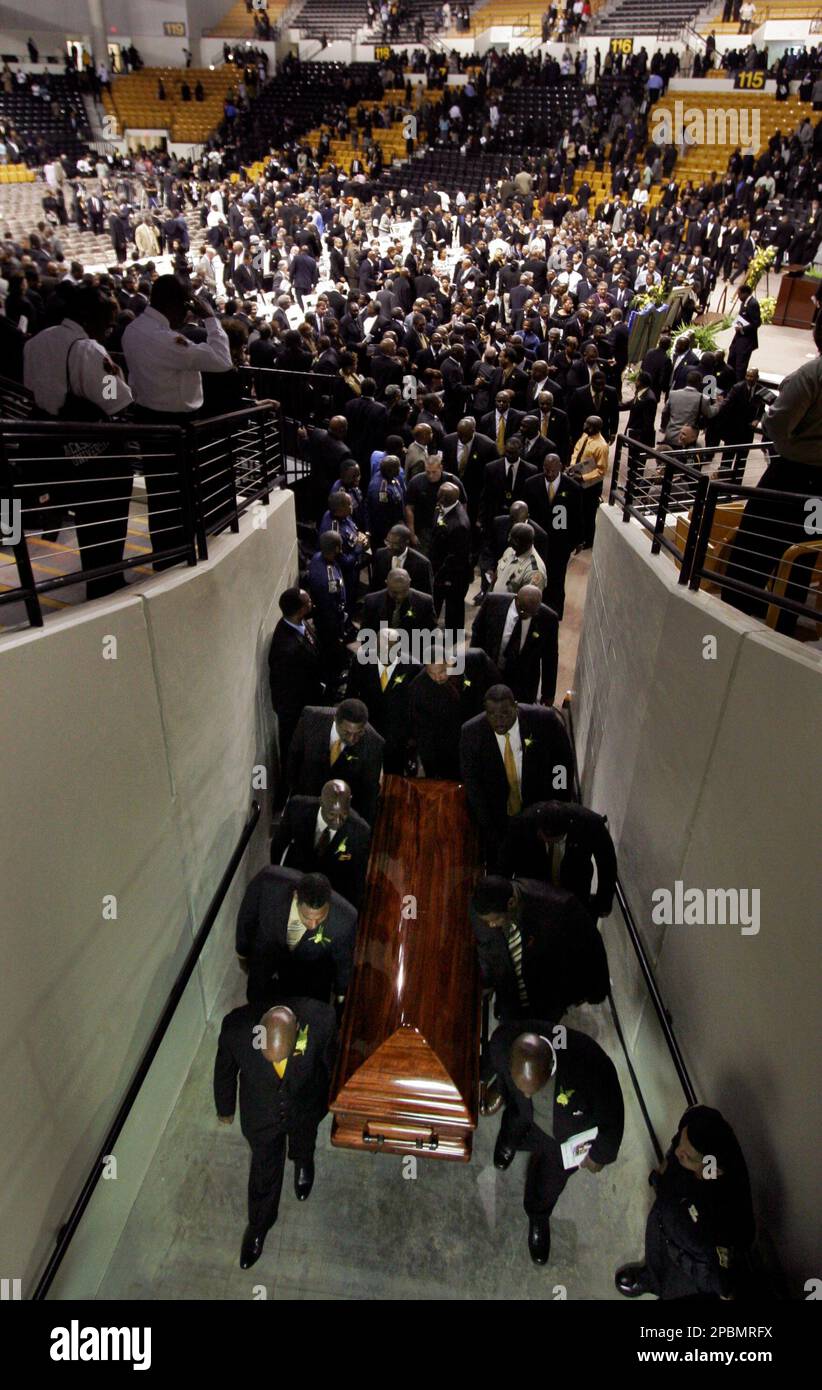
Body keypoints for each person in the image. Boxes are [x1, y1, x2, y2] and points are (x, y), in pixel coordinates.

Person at [21, 283, 134, 599]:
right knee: (105, 517)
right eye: (106, 322)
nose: (108, 330)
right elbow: (114, 400)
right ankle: (105, 580)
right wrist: (116, 374)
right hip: (93, 448)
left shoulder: (37, 342)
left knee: (86, 514)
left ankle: (96, 575)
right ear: (89, 316)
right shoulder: (88, 350)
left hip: (54, 444)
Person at [214, 998, 336, 1268]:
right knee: (263, 1169)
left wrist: (327, 1099)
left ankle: (303, 1159)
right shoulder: (236, 1029)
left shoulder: (320, 1019)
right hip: (261, 1115)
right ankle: (259, 1224)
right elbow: (224, 1068)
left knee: (304, 1137)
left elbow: (328, 1063)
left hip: (303, 1104)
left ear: (296, 1031)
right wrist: (225, 1107)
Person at [491, 1027, 624, 1264]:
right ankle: (508, 1143)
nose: (526, 1093)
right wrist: (497, 1088)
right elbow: (497, 1068)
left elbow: (612, 1117)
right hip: (525, 1120)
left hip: (562, 1139)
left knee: (549, 1182)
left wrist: (599, 1155)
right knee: (514, 1123)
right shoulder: (504, 1042)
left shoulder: (590, 1066)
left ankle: (538, 1215)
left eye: (531, 1089)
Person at [723, 315, 822, 634]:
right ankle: (786, 617)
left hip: (792, 477)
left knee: (755, 543)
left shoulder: (811, 375)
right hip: (819, 490)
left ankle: (736, 612)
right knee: (805, 549)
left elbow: (777, 424)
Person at [122, 276, 231, 561]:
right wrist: (210, 319)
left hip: (148, 419)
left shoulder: (134, 329)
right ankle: (178, 556)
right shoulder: (166, 340)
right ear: (174, 304)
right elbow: (222, 360)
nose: (188, 311)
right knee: (181, 495)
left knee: (162, 495)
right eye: (185, 304)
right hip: (176, 426)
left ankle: (166, 555)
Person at [616, 1105, 754, 1299]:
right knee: (657, 1241)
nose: (679, 1152)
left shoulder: (723, 1215)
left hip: (691, 1258)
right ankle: (652, 1275)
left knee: (676, 1287)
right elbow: (678, 1141)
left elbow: (724, 1280)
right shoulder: (700, 1122)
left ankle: (662, 1287)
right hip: (668, 1214)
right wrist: (663, 1174)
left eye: (687, 1156)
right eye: (682, 1143)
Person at [470, 875, 610, 1021]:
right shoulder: (481, 909)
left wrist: (596, 990)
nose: (491, 925)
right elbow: (485, 945)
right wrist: (487, 980)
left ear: (511, 903)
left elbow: (591, 946)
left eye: (495, 920)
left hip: (545, 999)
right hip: (509, 999)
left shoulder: (558, 907)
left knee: (547, 1038)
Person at [459, 685, 573, 864]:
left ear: (516, 707)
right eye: (492, 715)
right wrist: (487, 825)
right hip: (497, 819)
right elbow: (473, 783)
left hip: (536, 812)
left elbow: (562, 763)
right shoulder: (471, 733)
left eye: (505, 714)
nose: (499, 721)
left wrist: (559, 802)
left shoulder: (544, 721)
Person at [236, 867, 357, 1008]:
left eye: (320, 919)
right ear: (295, 896)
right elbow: (247, 917)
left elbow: (343, 960)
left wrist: (341, 993)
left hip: (307, 968)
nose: (312, 925)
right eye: (306, 917)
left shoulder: (345, 919)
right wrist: (242, 951)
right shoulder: (267, 883)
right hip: (265, 953)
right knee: (256, 998)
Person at [498, 800, 618, 919]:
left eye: (551, 839)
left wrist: (604, 901)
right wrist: (501, 901)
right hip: (535, 893)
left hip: (574, 890)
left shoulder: (588, 823)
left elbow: (607, 862)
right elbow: (505, 861)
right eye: (542, 835)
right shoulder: (522, 824)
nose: (545, 840)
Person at [271, 779, 370, 909]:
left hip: (332, 893)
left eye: (343, 815)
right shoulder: (297, 808)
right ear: (321, 802)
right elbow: (278, 845)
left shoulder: (360, 831)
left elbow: (357, 879)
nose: (338, 821)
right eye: (332, 815)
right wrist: (276, 880)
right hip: (297, 879)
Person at [287, 698, 384, 825]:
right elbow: (294, 756)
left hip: (342, 814)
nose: (352, 738)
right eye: (347, 732)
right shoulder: (311, 719)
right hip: (308, 798)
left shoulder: (373, 744)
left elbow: (369, 793)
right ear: (335, 720)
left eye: (358, 733)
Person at [408, 649, 501, 779]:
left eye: (442, 671)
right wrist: (432, 772)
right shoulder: (418, 689)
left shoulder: (475, 660)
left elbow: (497, 688)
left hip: (483, 737)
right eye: (431, 673)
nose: (437, 678)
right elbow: (424, 736)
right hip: (450, 751)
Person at [471, 584, 558, 705]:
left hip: (522, 684)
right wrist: (472, 667)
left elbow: (550, 658)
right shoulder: (493, 602)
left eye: (531, 613)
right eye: (523, 611)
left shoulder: (548, 619)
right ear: (516, 599)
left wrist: (548, 694)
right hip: (490, 672)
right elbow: (477, 633)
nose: (526, 615)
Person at [268, 587, 326, 769]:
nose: (312, 603)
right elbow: (285, 687)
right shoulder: (286, 647)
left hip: (310, 696)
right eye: (308, 602)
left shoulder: (299, 623)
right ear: (300, 610)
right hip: (297, 710)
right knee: (294, 749)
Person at [430, 479, 472, 636]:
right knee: (436, 602)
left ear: (445, 500)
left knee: (454, 608)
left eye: (440, 497)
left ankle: (453, 638)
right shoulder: (443, 508)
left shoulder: (459, 524)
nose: (437, 499)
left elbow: (455, 557)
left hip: (453, 574)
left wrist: (439, 576)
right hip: (439, 565)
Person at [359, 566, 437, 640]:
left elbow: (431, 634)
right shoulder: (371, 601)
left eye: (404, 591)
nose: (399, 596)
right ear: (386, 584)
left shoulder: (424, 602)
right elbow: (366, 634)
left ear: (409, 583)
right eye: (394, 592)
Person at [370, 523, 434, 595]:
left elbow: (426, 594)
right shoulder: (380, 554)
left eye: (395, 544)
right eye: (387, 542)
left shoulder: (422, 563)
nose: (389, 547)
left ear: (406, 543)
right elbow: (375, 585)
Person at [727, 283, 761, 381]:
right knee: (732, 357)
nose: (738, 297)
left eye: (739, 294)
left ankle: (738, 384)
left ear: (745, 293)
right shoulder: (744, 302)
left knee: (740, 364)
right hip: (738, 337)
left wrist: (743, 329)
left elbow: (757, 323)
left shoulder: (753, 304)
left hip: (747, 339)